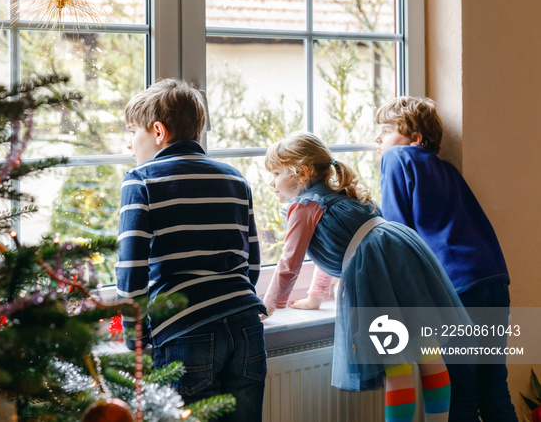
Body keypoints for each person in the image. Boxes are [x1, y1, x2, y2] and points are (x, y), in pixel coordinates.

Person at [262, 131, 468, 422]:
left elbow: (289, 264)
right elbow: (337, 252)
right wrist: (314, 296)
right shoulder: (345, 196)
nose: (272, 181)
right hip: (406, 258)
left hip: (377, 274)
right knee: (428, 355)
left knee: (396, 364)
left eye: (276, 172)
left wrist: (270, 305)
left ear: (303, 171)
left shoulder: (304, 206)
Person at [116, 78, 267, 422]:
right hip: (246, 326)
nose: (129, 144)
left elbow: (131, 269)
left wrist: (133, 337)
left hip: (186, 332)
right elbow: (252, 261)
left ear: (157, 131)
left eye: (133, 132)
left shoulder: (141, 180)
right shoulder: (235, 178)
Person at [375, 96, 516, 421]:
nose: (378, 140)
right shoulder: (446, 169)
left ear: (415, 137)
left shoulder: (397, 158)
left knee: (462, 396)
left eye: (385, 130)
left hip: (458, 291)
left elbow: (398, 236)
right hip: (493, 280)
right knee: (495, 391)